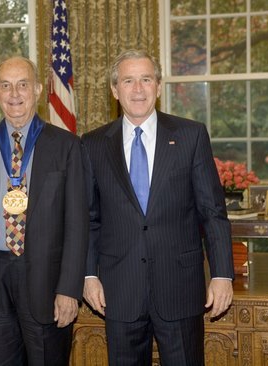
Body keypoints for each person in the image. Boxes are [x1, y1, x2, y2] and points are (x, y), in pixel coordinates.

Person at [81, 49, 234, 365]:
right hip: (119, 291)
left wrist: (222, 274)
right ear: (114, 90)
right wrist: (87, 275)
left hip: (179, 288)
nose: (138, 89)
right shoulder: (93, 143)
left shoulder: (190, 135)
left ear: (159, 86)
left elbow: (213, 211)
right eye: (128, 80)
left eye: (146, 79)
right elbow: (89, 218)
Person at [0, 56, 88, 365]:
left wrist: (69, 289)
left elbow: (77, 225)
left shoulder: (66, 146)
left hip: (46, 280)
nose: (14, 94)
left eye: (23, 84)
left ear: (38, 89)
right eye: (5, 85)